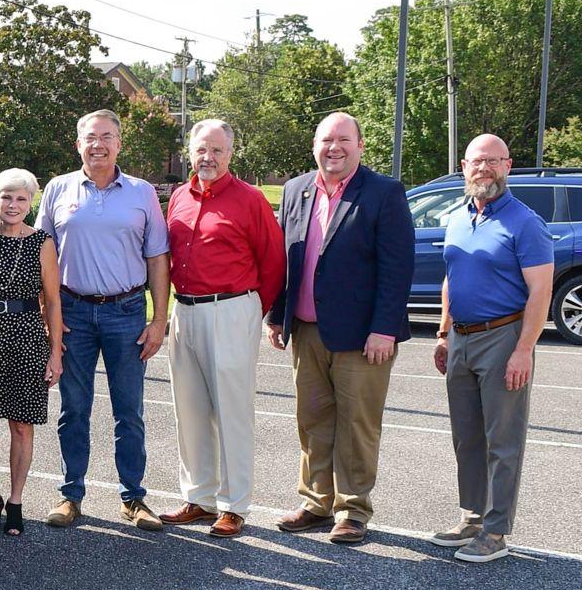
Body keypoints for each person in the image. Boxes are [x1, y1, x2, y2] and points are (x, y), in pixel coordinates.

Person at [268, 112, 415, 545]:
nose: (334, 148)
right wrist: (278, 314)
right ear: (315, 146)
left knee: (357, 424)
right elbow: (286, 258)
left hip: (363, 335)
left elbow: (397, 267)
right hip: (306, 328)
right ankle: (316, 501)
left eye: (343, 140)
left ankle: (352, 509)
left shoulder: (384, 192)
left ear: (360, 146)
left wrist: (384, 328)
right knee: (313, 419)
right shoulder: (296, 190)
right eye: (326, 140)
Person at [35, 109, 170, 532]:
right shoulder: (58, 189)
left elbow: (157, 258)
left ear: (119, 144)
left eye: (107, 137)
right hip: (72, 312)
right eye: (91, 137)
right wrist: (48, 314)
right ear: (78, 144)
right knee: (74, 409)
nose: (99, 144)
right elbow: (42, 256)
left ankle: (133, 498)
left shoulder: (142, 192)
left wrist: (159, 318)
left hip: (127, 312)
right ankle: (70, 494)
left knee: (128, 411)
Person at [430, 134, 554, 563]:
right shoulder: (459, 217)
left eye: (493, 162)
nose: (484, 169)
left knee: (502, 440)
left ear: (508, 165)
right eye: (476, 162)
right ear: (464, 167)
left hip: (504, 338)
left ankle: (497, 531)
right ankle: (472, 517)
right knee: (467, 437)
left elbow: (541, 292)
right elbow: (450, 278)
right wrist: (444, 333)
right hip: (461, 337)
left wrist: (524, 350)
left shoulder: (525, 222)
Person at [158, 120, 285, 538]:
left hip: (231, 309)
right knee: (189, 409)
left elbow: (272, 262)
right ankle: (199, 497)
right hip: (185, 311)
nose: (208, 158)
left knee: (232, 411)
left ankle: (234, 504)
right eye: (201, 150)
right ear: (189, 151)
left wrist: (251, 313)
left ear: (230, 154)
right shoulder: (179, 196)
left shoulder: (249, 199)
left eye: (217, 150)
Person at [0, 167, 64, 535]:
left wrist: (55, 353)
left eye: (21, 198)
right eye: (6, 196)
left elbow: (53, 302)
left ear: (31, 203)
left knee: (22, 425)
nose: (12, 204)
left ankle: (16, 501)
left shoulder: (42, 242)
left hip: (26, 337)